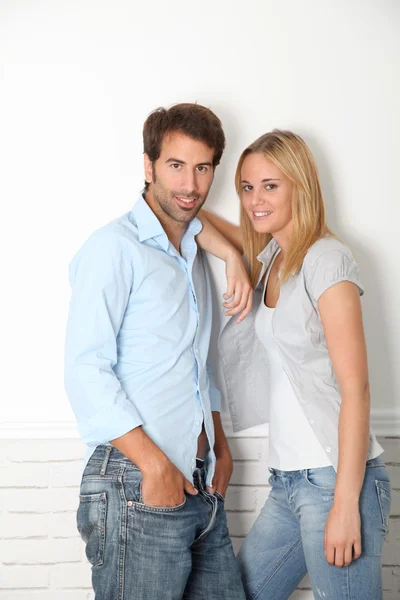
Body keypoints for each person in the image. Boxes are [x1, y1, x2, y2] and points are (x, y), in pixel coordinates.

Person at [64, 103, 251, 600]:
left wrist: (221, 443)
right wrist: (153, 466)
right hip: (136, 483)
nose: (190, 184)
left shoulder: (194, 253)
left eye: (203, 167)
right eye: (175, 166)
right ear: (148, 167)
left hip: (201, 485)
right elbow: (86, 371)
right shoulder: (113, 248)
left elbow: (197, 365)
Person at [198, 130, 392, 599]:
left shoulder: (327, 261)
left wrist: (346, 504)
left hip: (333, 480)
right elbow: (192, 215)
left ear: (300, 185)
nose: (254, 200)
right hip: (287, 484)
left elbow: (356, 390)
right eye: (246, 187)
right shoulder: (273, 260)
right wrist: (231, 255)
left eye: (270, 185)